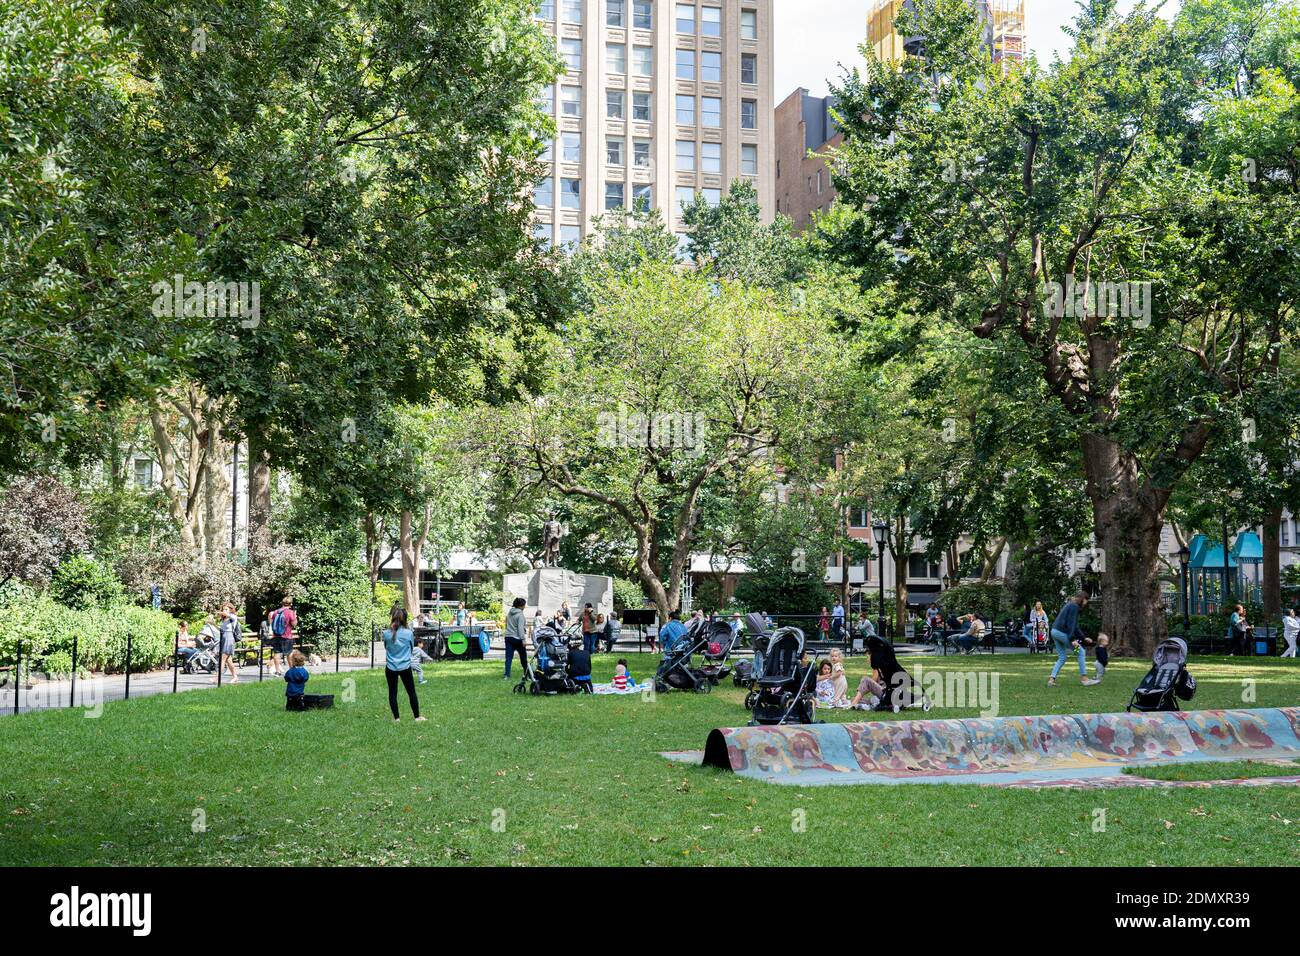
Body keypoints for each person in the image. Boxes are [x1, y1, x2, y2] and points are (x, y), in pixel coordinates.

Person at [382, 605, 425, 722]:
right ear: (404, 619)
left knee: (392, 693)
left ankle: (396, 718)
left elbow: (386, 647)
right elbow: (411, 648)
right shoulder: (408, 633)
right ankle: (417, 717)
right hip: (405, 666)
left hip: (390, 667)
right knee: (411, 692)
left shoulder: (386, 633)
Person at [1048, 592, 1090, 686]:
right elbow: (1070, 625)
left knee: (1062, 657)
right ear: (1082, 599)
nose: (1086, 602)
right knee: (1081, 652)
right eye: (1086, 600)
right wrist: (1072, 639)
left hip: (1054, 632)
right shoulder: (1074, 607)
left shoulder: (1070, 605)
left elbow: (1074, 627)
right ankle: (1084, 678)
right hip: (1061, 633)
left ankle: (1051, 679)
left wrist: (1083, 638)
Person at [214, 603, 241, 684]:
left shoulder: (233, 617)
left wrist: (222, 613)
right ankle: (235, 677)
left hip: (229, 638)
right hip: (224, 637)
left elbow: (230, 616)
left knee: (222, 659)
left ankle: (216, 678)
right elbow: (221, 629)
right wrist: (213, 624)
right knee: (228, 661)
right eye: (223, 609)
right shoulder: (224, 619)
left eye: (226, 609)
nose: (224, 611)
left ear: (230, 610)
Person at [271, 597, 298, 674]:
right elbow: (294, 624)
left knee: (277, 653)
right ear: (290, 604)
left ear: (282, 603)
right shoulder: (290, 612)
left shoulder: (276, 612)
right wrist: (295, 616)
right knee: (289, 653)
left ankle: (277, 671)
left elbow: (272, 623)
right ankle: (291, 670)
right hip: (286, 636)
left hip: (276, 635)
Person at [504, 597, 528, 680]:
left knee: (508, 658)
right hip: (517, 638)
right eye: (524, 605)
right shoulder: (520, 615)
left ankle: (507, 675)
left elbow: (506, 623)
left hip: (508, 637)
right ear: (521, 606)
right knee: (523, 657)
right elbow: (520, 629)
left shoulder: (510, 613)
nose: (525, 606)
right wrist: (523, 640)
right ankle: (527, 674)